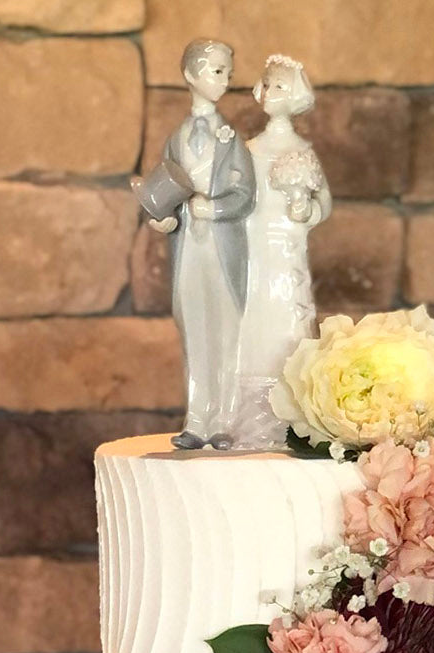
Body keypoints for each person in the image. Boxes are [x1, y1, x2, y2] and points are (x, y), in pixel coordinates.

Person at [136, 39, 257, 450]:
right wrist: (166, 219)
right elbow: (165, 190)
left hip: (222, 252)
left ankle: (224, 419)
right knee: (195, 332)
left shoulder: (231, 139)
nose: (225, 79)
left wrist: (214, 209)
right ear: (191, 75)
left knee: (226, 332)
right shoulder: (177, 139)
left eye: (228, 72)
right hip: (189, 251)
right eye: (217, 71)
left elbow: (245, 195)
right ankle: (197, 418)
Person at [234, 54, 331, 449]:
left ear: (295, 96)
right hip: (254, 250)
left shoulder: (303, 151)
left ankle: (290, 416)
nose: (271, 91)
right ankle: (245, 421)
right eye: (268, 83)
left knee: (287, 322)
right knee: (252, 323)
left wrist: (306, 210)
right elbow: (236, 199)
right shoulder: (247, 150)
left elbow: (324, 203)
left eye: (280, 86)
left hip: (287, 251)